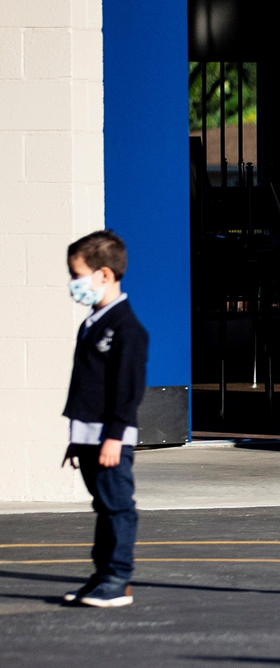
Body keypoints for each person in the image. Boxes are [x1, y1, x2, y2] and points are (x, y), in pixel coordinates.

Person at [59, 230, 148, 608]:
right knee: (102, 506)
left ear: (105, 275)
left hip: (110, 438)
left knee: (117, 506)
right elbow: (86, 388)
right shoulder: (92, 323)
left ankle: (118, 577)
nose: (73, 284)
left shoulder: (128, 330)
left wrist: (114, 436)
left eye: (77, 274)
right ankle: (101, 577)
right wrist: (76, 439)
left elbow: (128, 393)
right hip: (88, 435)